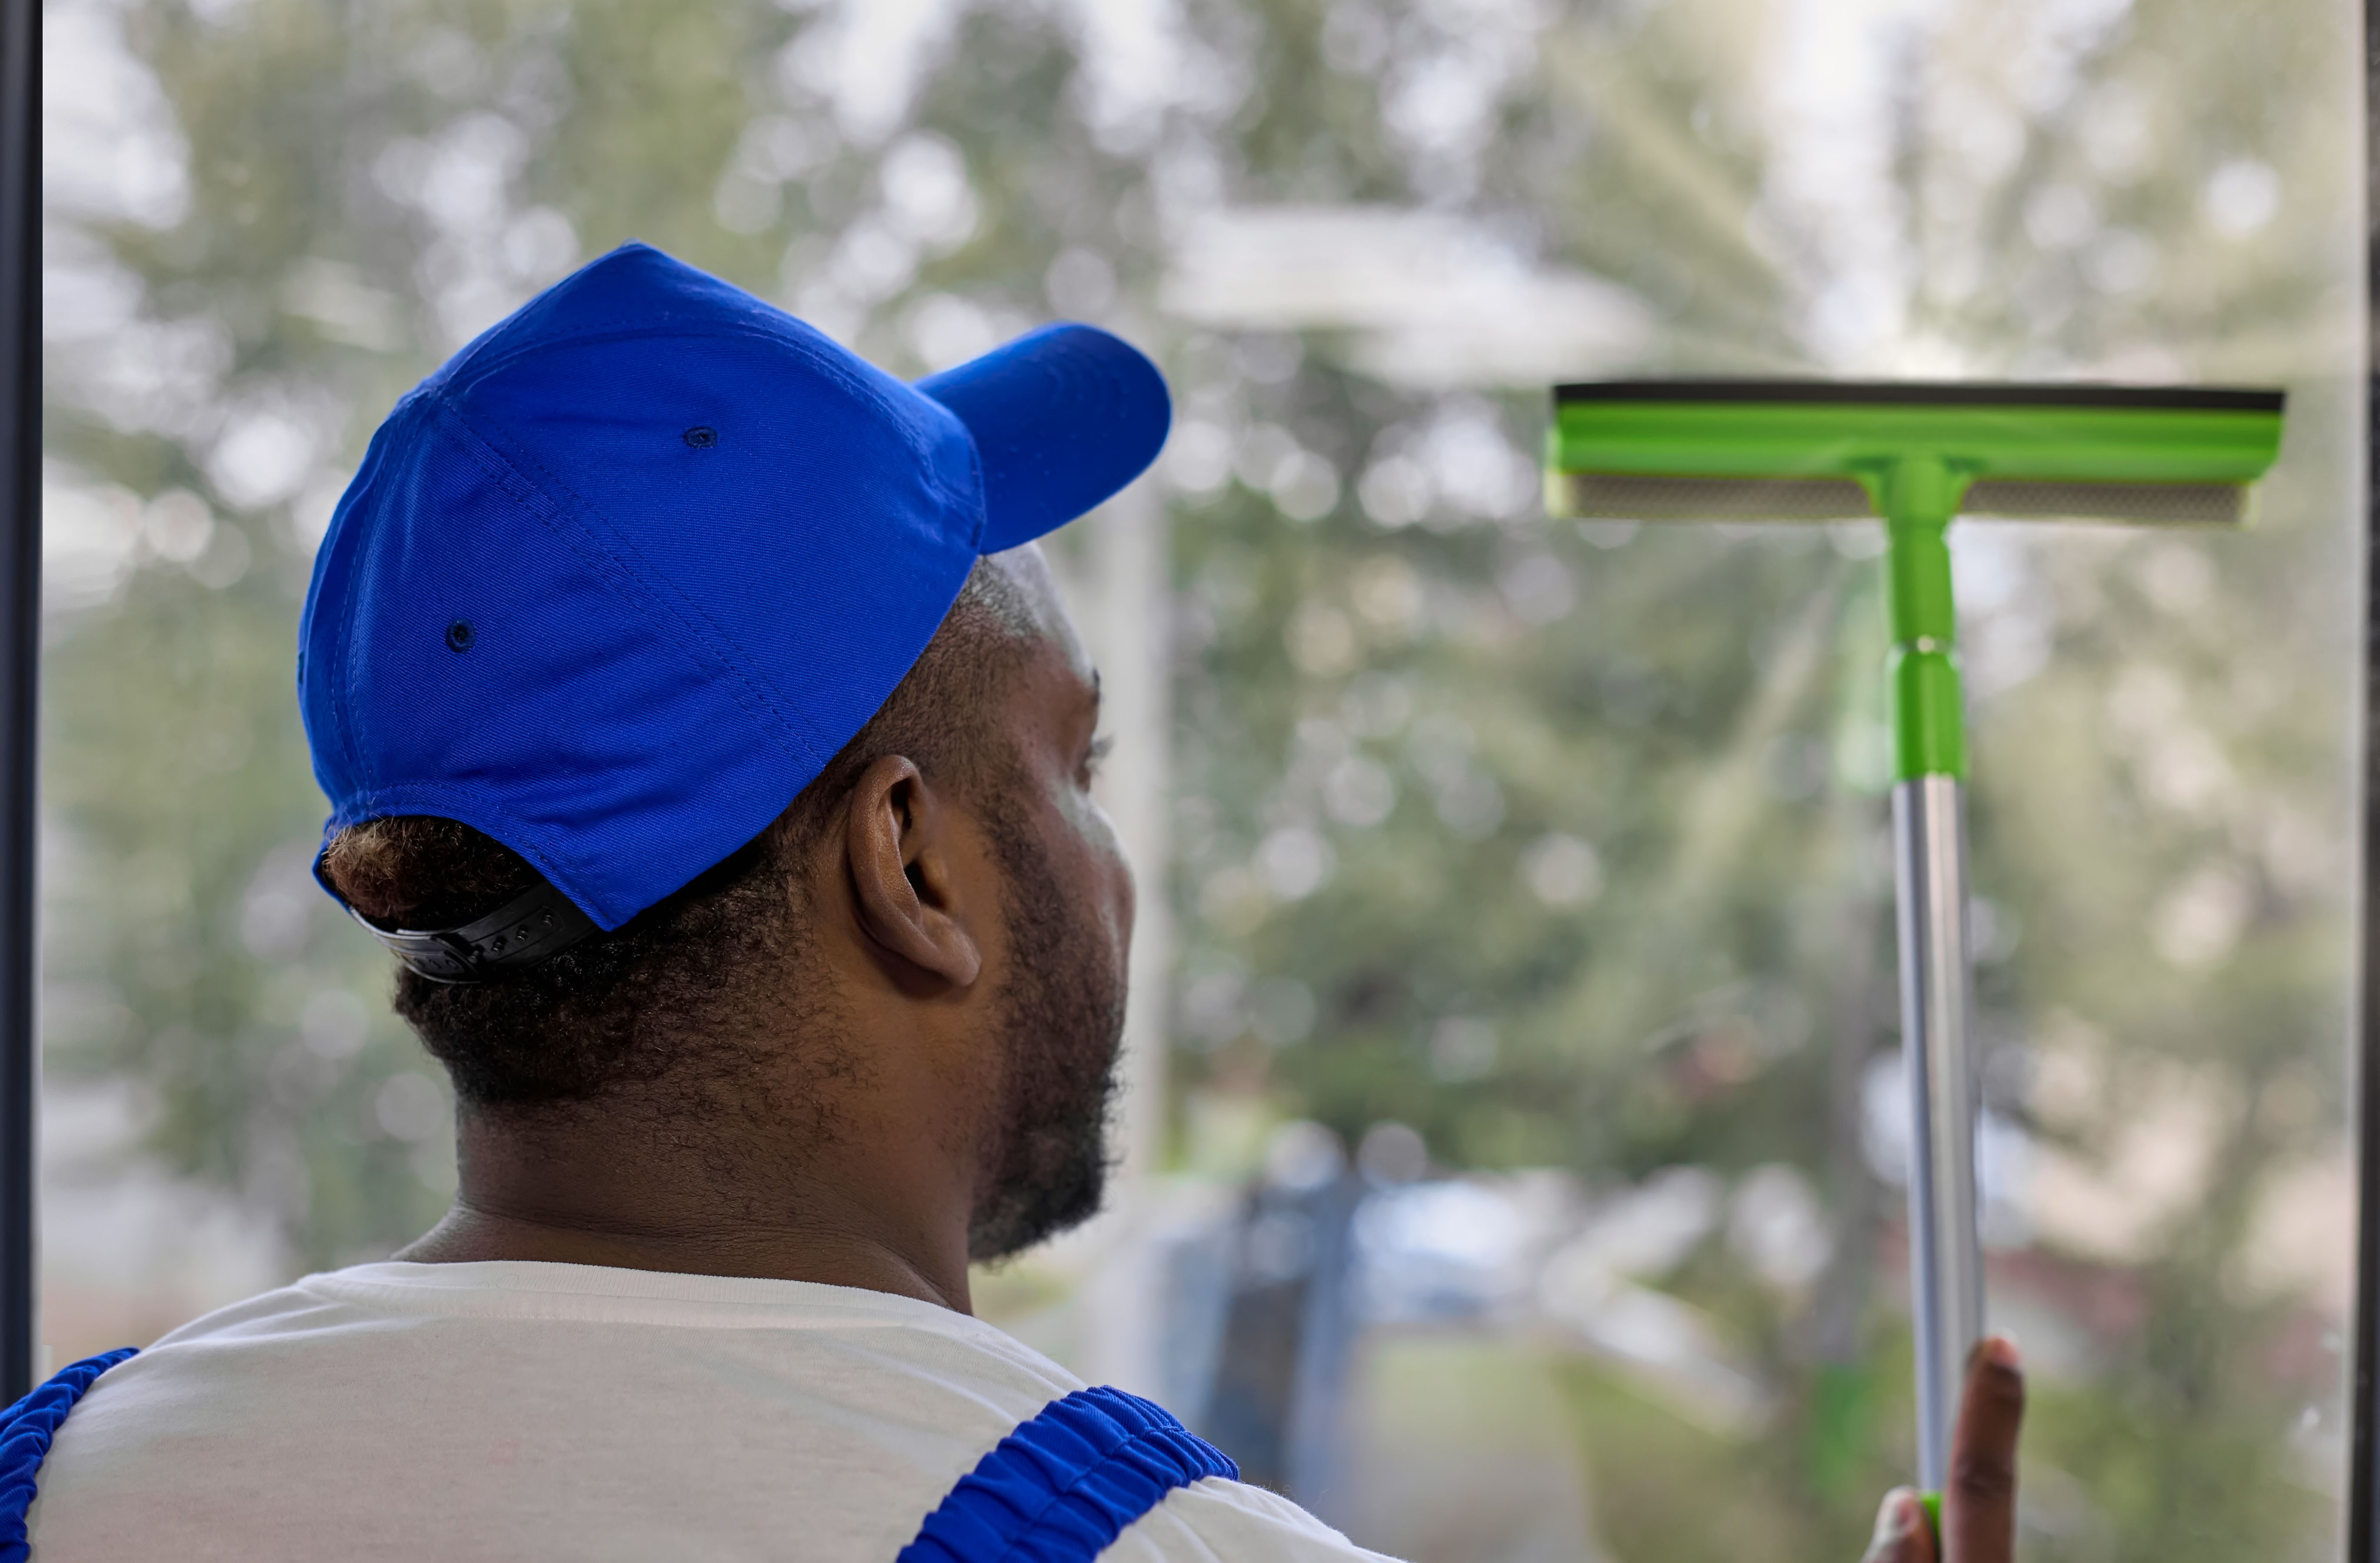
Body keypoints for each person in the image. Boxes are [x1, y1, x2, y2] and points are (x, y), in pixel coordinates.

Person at [10, 244, 2022, 1561]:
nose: (1111, 854)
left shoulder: (57, 1481)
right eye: (1079, 765)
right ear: (914, 868)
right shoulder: (1162, 1551)